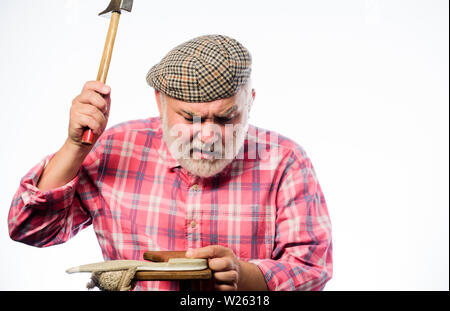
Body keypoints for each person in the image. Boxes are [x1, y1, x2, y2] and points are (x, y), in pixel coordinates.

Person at [8, 34, 332, 291]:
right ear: (160, 103)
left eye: (225, 117)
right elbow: (30, 229)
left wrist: (243, 276)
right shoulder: (114, 148)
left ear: (250, 102)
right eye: (190, 118)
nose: (208, 135)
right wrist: (76, 146)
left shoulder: (285, 160)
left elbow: (312, 269)